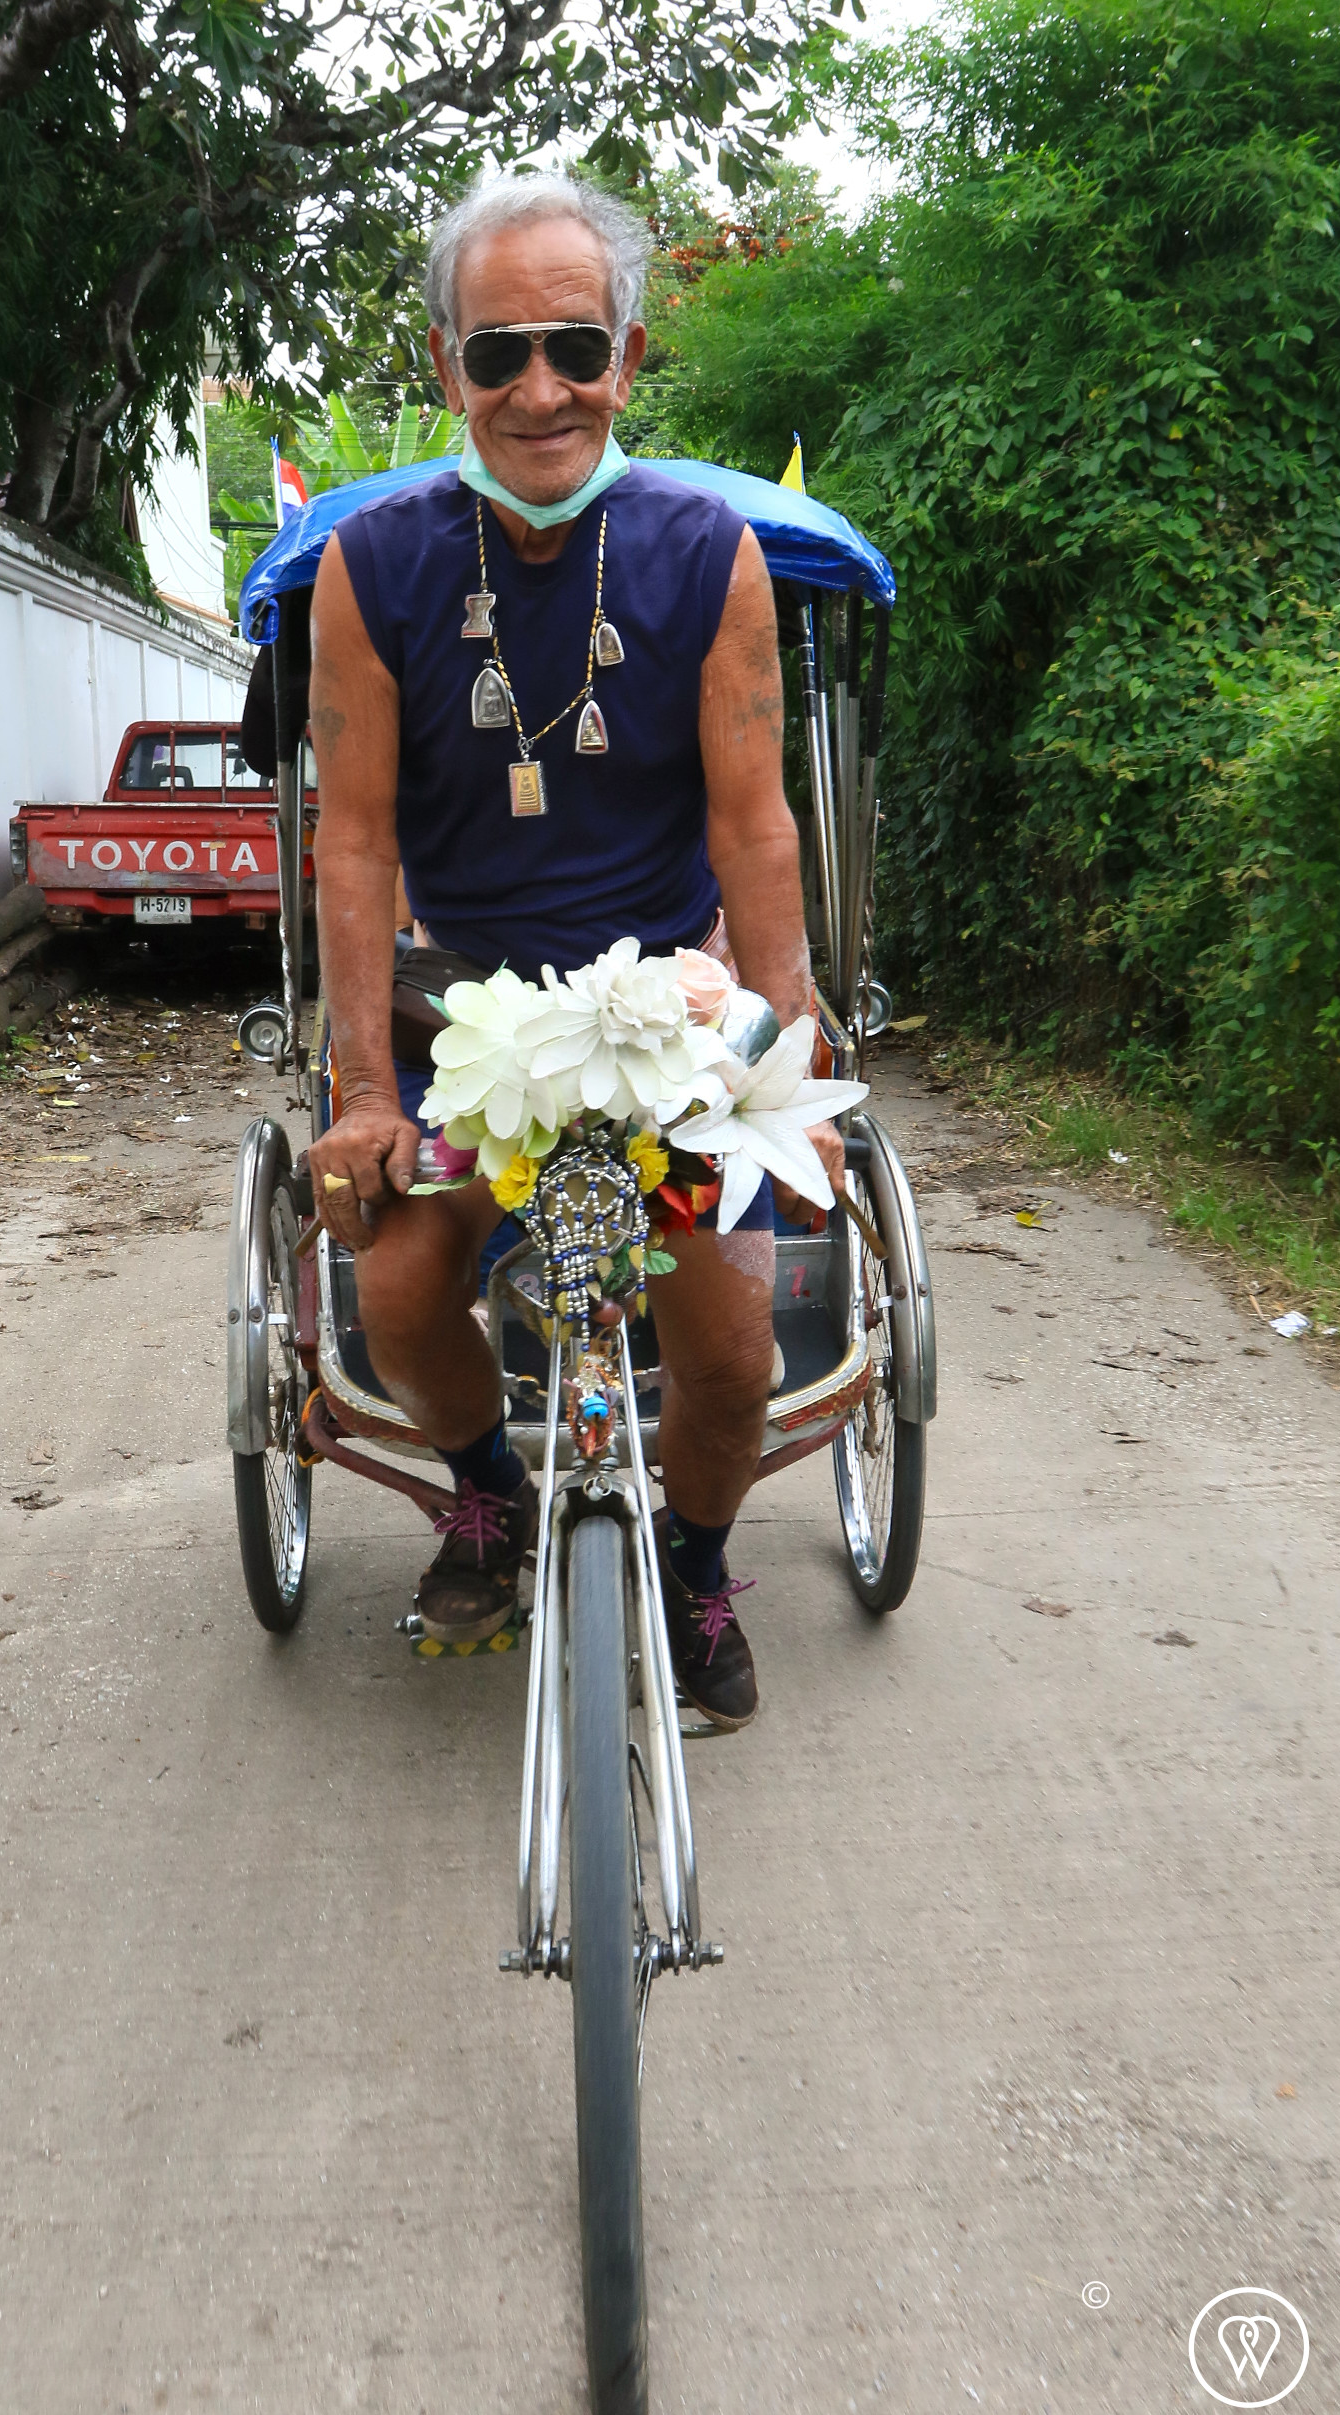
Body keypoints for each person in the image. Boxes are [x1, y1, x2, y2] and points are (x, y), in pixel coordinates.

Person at [305, 171, 840, 1728]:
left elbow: (753, 831)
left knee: (732, 1347)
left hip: (664, 1016)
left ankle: (692, 1556)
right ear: (443, 365)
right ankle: (484, 1494)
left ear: (630, 352)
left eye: (574, 346)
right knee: (401, 1300)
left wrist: (776, 1047)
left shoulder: (705, 553)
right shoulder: (376, 565)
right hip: (462, 1018)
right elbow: (352, 842)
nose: (540, 388)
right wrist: (356, 1087)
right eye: (497, 353)